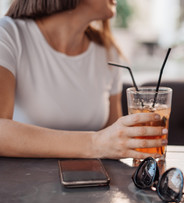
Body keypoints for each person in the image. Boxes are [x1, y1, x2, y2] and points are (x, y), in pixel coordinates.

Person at [0, 0, 167, 159]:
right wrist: (95, 143)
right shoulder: (8, 34)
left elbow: (116, 139)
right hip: (25, 183)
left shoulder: (108, 51)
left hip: (92, 183)